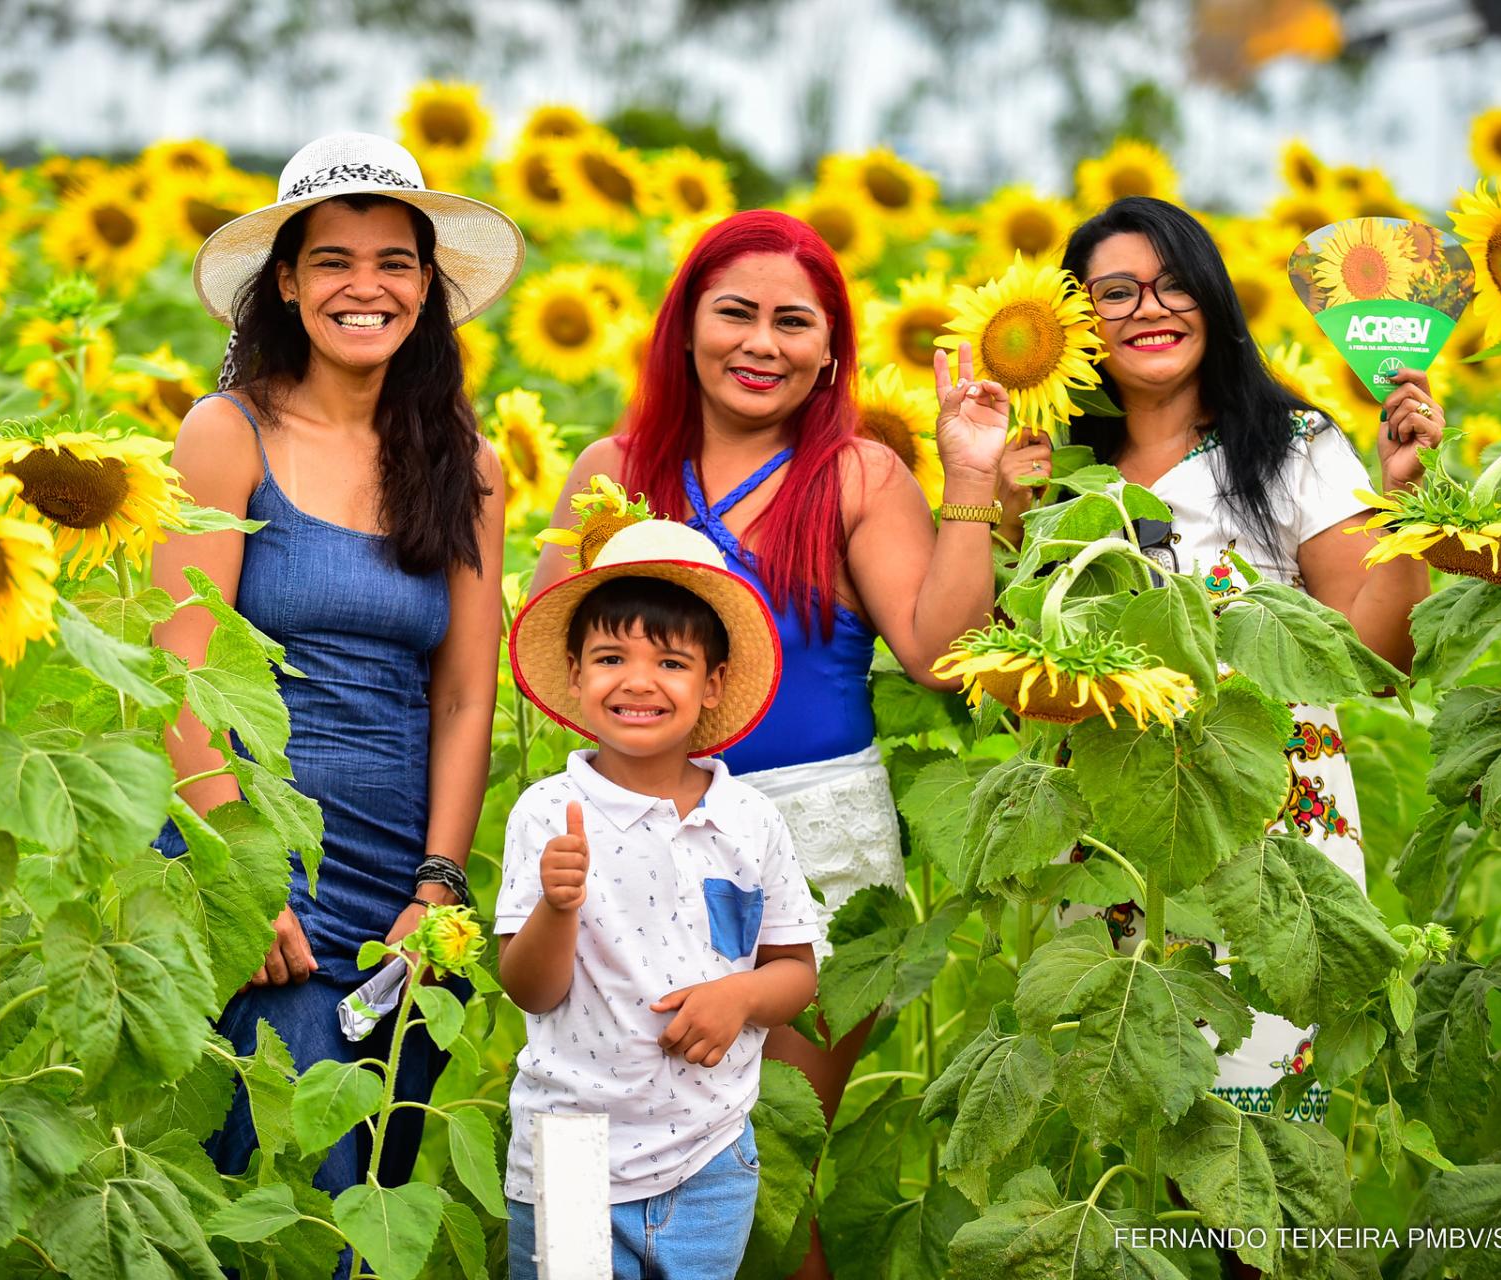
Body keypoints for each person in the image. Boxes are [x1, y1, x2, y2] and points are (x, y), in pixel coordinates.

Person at [529, 213, 1033, 1273]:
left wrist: (971, 478)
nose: (762, 342)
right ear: (685, 326)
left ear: (831, 349)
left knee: (762, 1165)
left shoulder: (855, 475)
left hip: (808, 844)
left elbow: (944, 655)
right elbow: (553, 665)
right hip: (632, 829)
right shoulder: (614, 467)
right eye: (737, 313)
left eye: (793, 322)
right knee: (600, 1117)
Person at [152, 133, 523, 1214]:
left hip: (401, 883)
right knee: (277, 1187)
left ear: (428, 284)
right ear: (286, 281)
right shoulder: (228, 434)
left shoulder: (467, 463)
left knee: (376, 1186)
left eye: (394, 262)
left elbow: (463, 692)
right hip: (259, 855)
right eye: (334, 261)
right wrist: (238, 869)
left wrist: (441, 882)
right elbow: (183, 666)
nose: (367, 287)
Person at [1041, 195, 1440, 1127]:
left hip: (1269, 835)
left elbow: (1377, 652)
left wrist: (1405, 508)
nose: (1150, 307)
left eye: (1175, 284)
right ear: (1073, 320)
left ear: (1215, 300)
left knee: (1256, 1144)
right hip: (1112, 835)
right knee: (1127, 1115)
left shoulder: (1291, 448)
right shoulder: (1057, 468)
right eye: (1116, 292)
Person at [497, 517, 820, 1280]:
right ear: (575, 675)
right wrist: (556, 906)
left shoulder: (749, 819)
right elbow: (530, 988)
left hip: (710, 1150)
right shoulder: (549, 813)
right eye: (611, 657)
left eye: (670, 662)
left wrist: (740, 997)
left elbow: (796, 970)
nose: (637, 681)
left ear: (711, 684)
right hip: (571, 1145)